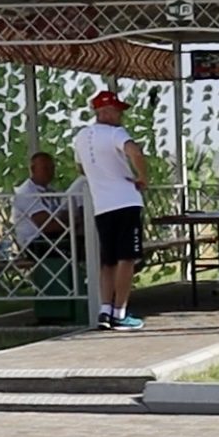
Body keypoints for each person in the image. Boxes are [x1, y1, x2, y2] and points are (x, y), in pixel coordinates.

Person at [71, 89, 150, 331]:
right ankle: (120, 311)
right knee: (127, 258)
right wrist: (142, 176)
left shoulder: (81, 137)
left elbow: (80, 167)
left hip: (102, 205)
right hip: (126, 201)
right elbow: (134, 151)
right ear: (108, 111)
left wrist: (101, 177)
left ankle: (105, 310)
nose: (119, 116)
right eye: (117, 111)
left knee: (108, 261)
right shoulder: (116, 133)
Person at [12, 151, 75, 257]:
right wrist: (73, 222)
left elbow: (62, 214)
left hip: (51, 239)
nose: (50, 172)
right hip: (34, 243)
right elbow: (47, 225)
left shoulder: (51, 191)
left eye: (52, 168)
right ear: (33, 169)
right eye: (45, 168)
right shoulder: (26, 193)